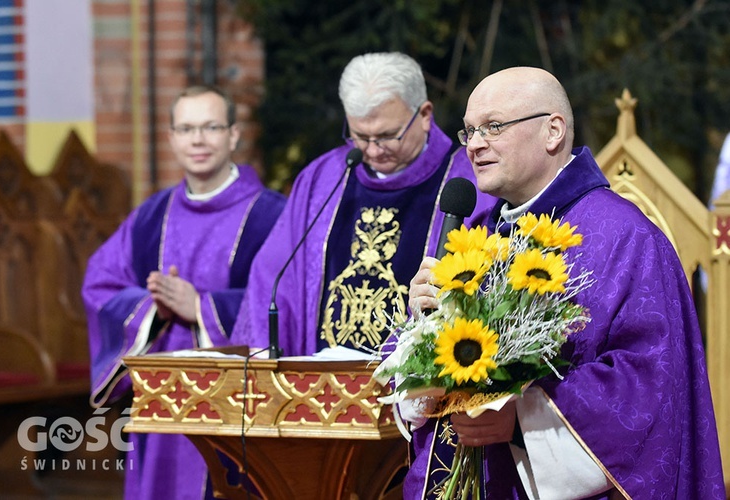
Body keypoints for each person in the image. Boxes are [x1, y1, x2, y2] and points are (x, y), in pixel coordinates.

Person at [406, 67, 725, 498]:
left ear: (552, 130)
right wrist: (422, 325)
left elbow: (651, 388)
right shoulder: (476, 235)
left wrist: (521, 421)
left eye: (493, 126)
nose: (475, 144)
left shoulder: (626, 238)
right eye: (469, 132)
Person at [82, 84, 286, 499]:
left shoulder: (271, 214)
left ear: (232, 135)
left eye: (211, 127)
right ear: (172, 137)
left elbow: (288, 298)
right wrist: (150, 308)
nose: (198, 139)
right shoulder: (151, 215)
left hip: (238, 406)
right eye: (187, 128)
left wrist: (203, 307)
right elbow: (99, 284)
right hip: (160, 401)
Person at [231, 52, 495, 357]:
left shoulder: (469, 180)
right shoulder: (323, 179)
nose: (373, 150)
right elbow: (272, 275)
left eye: (386, 136)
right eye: (359, 136)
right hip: (319, 388)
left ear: (424, 115)